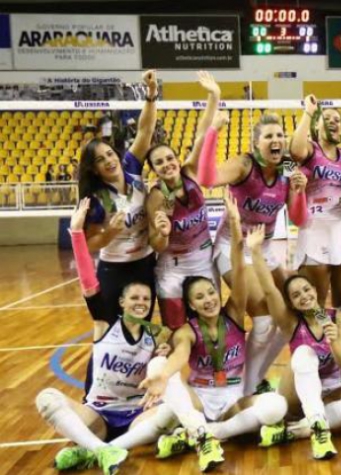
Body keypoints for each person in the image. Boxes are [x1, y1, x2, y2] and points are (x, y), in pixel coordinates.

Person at [138, 193, 288, 472]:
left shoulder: (232, 313)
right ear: (191, 305)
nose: (208, 299)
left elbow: (239, 269)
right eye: (200, 297)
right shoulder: (186, 330)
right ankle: (201, 431)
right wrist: (164, 373)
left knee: (276, 406)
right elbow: (180, 356)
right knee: (160, 367)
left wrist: (234, 224)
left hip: (233, 396)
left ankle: (204, 433)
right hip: (201, 397)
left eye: (210, 292)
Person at [37, 199, 177, 475]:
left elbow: (164, 372)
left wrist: (161, 359)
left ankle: (95, 450)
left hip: (135, 414)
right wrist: (77, 234)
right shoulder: (104, 322)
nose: (141, 302)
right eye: (134, 297)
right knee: (46, 398)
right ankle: (102, 449)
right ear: (122, 302)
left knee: (171, 410)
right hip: (99, 412)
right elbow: (88, 280)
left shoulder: (156, 335)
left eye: (146, 298)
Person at [196, 81, 309, 396]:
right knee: (262, 320)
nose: (277, 140)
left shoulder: (287, 170)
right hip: (232, 248)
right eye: (269, 136)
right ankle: (244, 387)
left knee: (289, 318)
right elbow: (206, 179)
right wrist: (213, 133)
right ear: (256, 143)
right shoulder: (245, 165)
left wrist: (298, 191)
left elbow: (298, 219)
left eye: (279, 135)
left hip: (265, 249)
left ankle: (252, 378)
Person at [249, 226, 341, 461]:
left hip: (331, 388)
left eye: (306, 289)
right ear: (292, 305)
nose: (303, 296)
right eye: (296, 295)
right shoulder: (289, 322)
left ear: (316, 290)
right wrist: (255, 251)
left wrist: (334, 340)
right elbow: (269, 290)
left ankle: (301, 431)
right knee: (305, 352)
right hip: (296, 394)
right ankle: (316, 425)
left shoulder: (340, 318)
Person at [77, 70, 158, 322]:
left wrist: (151, 95)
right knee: (111, 329)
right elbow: (87, 244)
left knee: (141, 327)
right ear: (93, 168)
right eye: (100, 160)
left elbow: (145, 131)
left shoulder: (132, 167)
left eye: (110, 154)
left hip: (145, 263)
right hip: (114, 268)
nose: (109, 161)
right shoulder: (95, 199)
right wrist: (109, 234)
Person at [146, 71, 219, 330]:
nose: (167, 164)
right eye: (159, 163)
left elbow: (202, 132)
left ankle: (213, 371)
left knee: (210, 326)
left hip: (203, 259)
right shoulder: (157, 196)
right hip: (174, 266)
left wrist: (214, 95)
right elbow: (156, 244)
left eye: (169, 158)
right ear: (154, 170)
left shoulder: (189, 172)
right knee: (177, 332)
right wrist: (163, 235)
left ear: (177, 159)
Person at [289, 94, 341, 316]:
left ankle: (340, 346)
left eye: (337, 119)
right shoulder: (310, 150)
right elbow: (293, 151)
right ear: (317, 126)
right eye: (327, 118)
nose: (333, 121)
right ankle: (318, 347)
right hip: (315, 229)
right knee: (315, 305)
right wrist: (309, 111)